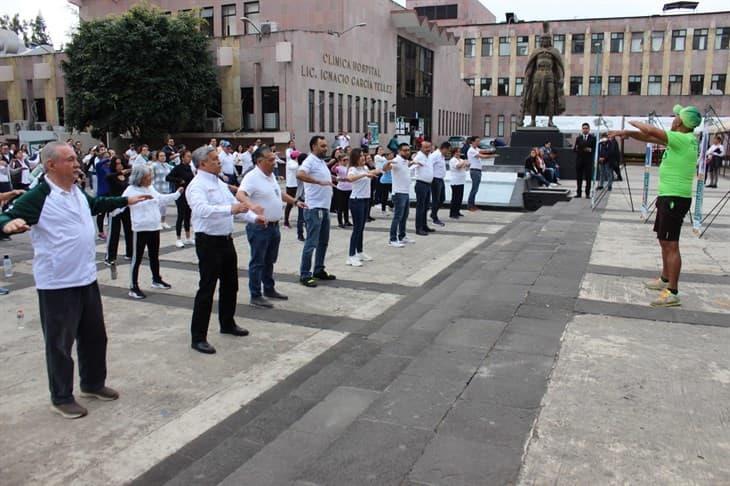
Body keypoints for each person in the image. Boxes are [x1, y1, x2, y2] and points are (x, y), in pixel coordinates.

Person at [0, 141, 151, 418]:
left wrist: (126, 200)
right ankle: (61, 397)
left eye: (75, 158)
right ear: (51, 165)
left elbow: (95, 204)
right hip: (57, 284)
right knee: (59, 344)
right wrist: (7, 225)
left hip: (85, 277)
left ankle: (93, 383)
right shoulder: (40, 195)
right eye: (69, 159)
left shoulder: (76, 191)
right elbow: (7, 215)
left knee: (95, 337)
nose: (76, 163)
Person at [609, 104, 701, 307]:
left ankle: (673, 291)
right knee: (663, 239)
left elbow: (650, 131)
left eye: (677, 116)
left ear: (682, 122)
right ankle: (665, 279)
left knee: (671, 243)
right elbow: (650, 138)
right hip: (669, 196)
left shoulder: (683, 139)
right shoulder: (683, 139)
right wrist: (628, 133)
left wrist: (630, 121)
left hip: (674, 198)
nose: (674, 118)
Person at [186, 145, 263, 354]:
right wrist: (231, 209)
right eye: (214, 160)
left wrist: (255, 218)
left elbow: (238, 208)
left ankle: (227, 323)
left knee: (231, 284)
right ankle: (198, 336)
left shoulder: (219, 183)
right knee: (207, 288)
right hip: (208, 242)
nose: (219, 162)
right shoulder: (196, 186)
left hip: (225, 240)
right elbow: (202, 210)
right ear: (203, 164)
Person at [238, 146, 305, 308]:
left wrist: (294, 201)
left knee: (269, 260)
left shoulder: (270, 176)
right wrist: (252, 206)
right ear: (259, 161)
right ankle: (255, 295)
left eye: (274, 159)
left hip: (274, 226)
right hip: (260, 227)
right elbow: (240, 194)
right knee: (258, 261)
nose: (274, 163)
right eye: (270, 160)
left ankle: (269, 288)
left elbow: (278, 193)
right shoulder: (252, 177)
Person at [123, 165, 181, 299]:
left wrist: (177, 194)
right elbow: (121, 204)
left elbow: (160, 198)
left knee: (154, 255)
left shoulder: (150, 188)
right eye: (149, 176)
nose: (151, 178)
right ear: (141, 178)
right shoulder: (130, 190)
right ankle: (133, 286)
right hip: (140, 228)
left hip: (154, 227)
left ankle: (156, 279)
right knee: (136, 258)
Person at [297, 135, 337, 288]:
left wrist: (335, 178)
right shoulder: (309, 161)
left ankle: (319, 269)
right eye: (322, 146)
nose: (325, 148)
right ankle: (305, 274)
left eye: (326, 146)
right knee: (312, 243)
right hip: (314, 208)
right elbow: (300, 174)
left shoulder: (320, 162)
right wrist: (318, 182)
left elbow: (324, 175)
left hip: (324, 207)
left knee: (323, 242)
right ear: (313, 146)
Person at [345, 148, 380, 266]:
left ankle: (359, 252)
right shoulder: (352, 169)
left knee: (361, 228)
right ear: (355, 158)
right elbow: (350, 179)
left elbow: (373, 172)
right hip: (356, 200)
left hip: (366, 200)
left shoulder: (365, 168)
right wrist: (364, 174)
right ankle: (351, 255)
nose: (363, 158)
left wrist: (382, 169)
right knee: (357, 228)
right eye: (360, 156)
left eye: (363, 156)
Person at [384, 143, 416, 247]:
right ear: (399, 151)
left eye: (408, 150)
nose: (407, 152)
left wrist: (413, 163)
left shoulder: (405, 161)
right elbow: (385, 169)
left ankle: (402, 236)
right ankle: (392, 239)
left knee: (404, 216)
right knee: (397, 217)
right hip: (398, 193)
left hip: (405, 192)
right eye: (405, 150)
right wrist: (388, 163)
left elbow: (405, 168)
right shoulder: (396, 160)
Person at [104, 156, 133, 264]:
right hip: (114, 207)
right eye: (116, 163)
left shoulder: (126, 176)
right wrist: (120, 173)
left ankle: (130, 253)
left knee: (129, 230)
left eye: (120, 163)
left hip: (126, 206)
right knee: (114, 233)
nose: (119, 165)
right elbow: (107, 177)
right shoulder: (111, 176)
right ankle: (110, 257)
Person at [167, 149, 196, 247]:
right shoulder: (178, 168)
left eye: (190, 156)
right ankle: (178, 238)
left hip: (188, 195)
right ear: (182, 157)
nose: (189, 158)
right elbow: (168, 177)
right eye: (188, 156)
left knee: (188, 216)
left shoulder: (189, 167)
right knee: (181, 216)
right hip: (180, 195)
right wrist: (179, 180)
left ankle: (188, 237)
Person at [413, 141, 434, 235]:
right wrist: (414, 161)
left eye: (429, 147)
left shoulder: (429, 156)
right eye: (425, 147)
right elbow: (412, 165)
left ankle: (424, 225)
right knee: (420, 207)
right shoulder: (419, 156)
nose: (428, 149)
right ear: (421, 148)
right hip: (421, 184)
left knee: (426, 207)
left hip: (428, 184)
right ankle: (419, 228)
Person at [152, 150, 174, 230]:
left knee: (164, 206)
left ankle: (163, 221)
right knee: (158, 206)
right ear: (157, 157)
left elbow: (174, 170)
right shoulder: (154, 165)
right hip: (157, 188)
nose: (163, 157)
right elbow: (150, 175)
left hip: (166, 187)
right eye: (161, 156)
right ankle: (157, 222)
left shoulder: (167, 165)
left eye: (164, 155)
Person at [430, 142, 450, 226]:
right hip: (435, 179)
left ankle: (433, 213)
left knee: (442, 198)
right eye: (448, 150)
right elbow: (429, 165)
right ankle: (434, 218)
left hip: (440, 179)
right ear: (444, 148)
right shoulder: (435, 155)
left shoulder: (441, 156)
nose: (448, 152)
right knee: (436, 199)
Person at [573, 123, 596, 198]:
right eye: (583, 128)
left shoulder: (593, 138)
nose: (585, 129)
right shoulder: (578, 138)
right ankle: (578, 193)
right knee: (579, 178)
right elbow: (575, 149)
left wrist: (589, 149)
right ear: (582, 129)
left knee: (588, 178)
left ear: (589, 129)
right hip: (579, 161)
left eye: (586, 128)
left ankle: (587, 193)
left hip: (588, 161)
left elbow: (594, 149)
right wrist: (579, 149)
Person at [332, 154, 353, 228]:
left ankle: (347, 221)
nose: (346, 161)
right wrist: (336, 163)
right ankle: (340, 222)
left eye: (347, 159)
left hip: (349, 188)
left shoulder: (349, 167)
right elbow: (334, 169)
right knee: (340, 206)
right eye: (344, 160)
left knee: (347, 206)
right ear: (340, 161)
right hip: (341, 189)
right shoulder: (339, 167)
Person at [284, 148, 301, 228]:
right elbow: (296, 167)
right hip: (291, 185)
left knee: (293, 203)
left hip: (294, 185)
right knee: (289, 204)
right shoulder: (291, 163)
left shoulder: (294, 163)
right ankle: (286, 222)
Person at [449, 148, 468, 219]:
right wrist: (464, 162)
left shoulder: (460, 160)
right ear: (454, 153)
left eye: (459, 152)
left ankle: (457, 211)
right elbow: (458, 166)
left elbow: (466, 165)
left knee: (460, 198)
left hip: (461, 181)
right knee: (455, 198)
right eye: (458, 152)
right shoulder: (453, 160)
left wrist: (465, 163)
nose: (459, 153)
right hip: (455, 182)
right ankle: (452, 213)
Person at [374, 147, 392, 212]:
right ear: (377, 151)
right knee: (379, 190)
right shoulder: (377, 156)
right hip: (379, 174)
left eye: (382, 149)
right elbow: (385, 162)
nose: (381, 151)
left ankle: (385, 205)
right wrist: (388, 160)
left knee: (385, 192)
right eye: (380, 150)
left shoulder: (384, 158)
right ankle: (377, 202)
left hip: (384, 174)